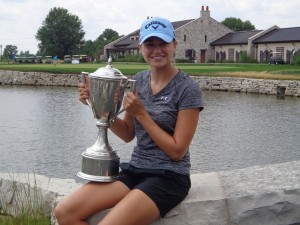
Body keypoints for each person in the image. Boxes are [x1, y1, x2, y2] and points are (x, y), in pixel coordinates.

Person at [54, 16, 204, 225]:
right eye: (150, 44)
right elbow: (127, 134)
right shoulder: (139, 81)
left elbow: (177, 151)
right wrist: (98, 105)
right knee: (65, 212)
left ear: (174, 45)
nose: (157, 50)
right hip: (135, 169)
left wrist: (142, 113)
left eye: (163, 43)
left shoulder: (188, 89)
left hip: (169, 177)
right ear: (141, 48)